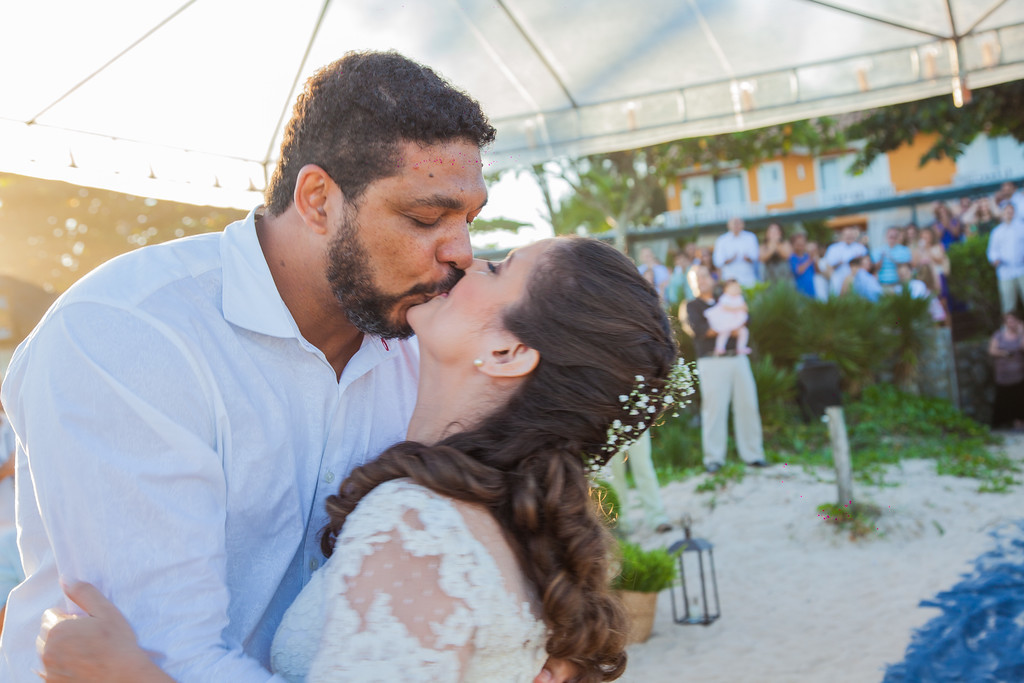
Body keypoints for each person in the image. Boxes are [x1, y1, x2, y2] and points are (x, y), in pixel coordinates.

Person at [1, 51, 585, 682]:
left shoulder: (429, 347)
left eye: (468, 219)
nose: (462, 253)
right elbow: (166, 657)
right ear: (317, 199)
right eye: (425, 217)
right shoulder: (130, 334)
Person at [38, 237, 684, 682]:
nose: (464, 257)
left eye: (497, 268)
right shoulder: (505, 522)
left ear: (509, 354)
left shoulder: (417, 527)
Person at [681, 266, 765, 474]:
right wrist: (729, 326)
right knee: (714, 410)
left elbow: (747, 319)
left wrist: (729, 324)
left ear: (712, 278)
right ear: (692, 284)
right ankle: (714, 458)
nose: (701, 280)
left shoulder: (725, 298)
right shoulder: (692, 306)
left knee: (748, 405)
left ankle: (753, 454)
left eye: (704, 275)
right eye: (696, 278)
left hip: (738, 358)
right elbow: (700, 330)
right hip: (712, 362)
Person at [607, 430, 673, 535]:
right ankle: (621, 521)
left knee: (643, 468)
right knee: (614, 474)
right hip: (609, 423)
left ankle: (657, 518)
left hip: (637, 420)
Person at [989, 311, 1024, 430]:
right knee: (1003, 400)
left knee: (1019, 399)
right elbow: (992, 350)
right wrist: (1003, 353)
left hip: (1019, 376)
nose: (1011, 323)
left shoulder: (1021, 334)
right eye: (1008, 320)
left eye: (1013, 320)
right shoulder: (999, 335)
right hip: (1003, 376)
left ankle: (1019, 422)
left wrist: (1021, 332)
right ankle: (1001, 425)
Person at [987, 203, 1024, 315]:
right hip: (1005, 272)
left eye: (1011, 211)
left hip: (1021, 269)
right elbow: (992, 251)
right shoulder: (997, 232)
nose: (1009, 214)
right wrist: (995, 259)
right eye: (1007, 211)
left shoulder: (1021, 227)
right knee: (1008, 304)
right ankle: (1010, 330)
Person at [704, 280, 751, 355]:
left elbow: (745, 308)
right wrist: (738, 308)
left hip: (736, 321)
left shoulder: (740, 298)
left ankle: (741, 347)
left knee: (744, 332)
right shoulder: (725, 297)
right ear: (726, 289)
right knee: (724, 333)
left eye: (737, 288)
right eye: (733, 288)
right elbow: (725, 307)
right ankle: (719, 348)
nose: (736, 290)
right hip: (727, 320)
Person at [712, 217, 759, 287]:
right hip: (730, 279)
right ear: (728, 225)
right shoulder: (722, 240)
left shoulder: (750, 237)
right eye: (734, 223)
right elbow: (718, 261)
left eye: (738, 223)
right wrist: (730, 260)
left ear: (743, 225)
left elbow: (756, 256)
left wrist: (748, 258)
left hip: (748, 279)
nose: (736, 225)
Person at [822, 226, 868, 296]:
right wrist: (839, 263)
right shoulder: (833, 248)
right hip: (838, 279)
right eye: (847, 235)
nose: (849, 237)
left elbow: (866, 264)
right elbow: (828, 266)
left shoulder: (861, 248)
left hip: (856, 279)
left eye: (851, 235)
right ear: (842, 235)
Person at [872, 226, 912, 290]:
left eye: (895, 237)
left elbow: (908, 267)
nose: (893, 239)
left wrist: (893, 260)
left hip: (899, 285)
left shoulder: (905, 250)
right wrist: (881, 258)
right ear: (886, 237)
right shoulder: (878, 251)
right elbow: (874, 269)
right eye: (891, 237)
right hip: (882, 285)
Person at [789, 230, 817, 298]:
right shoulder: (792, 257)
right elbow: (798, 271)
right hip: (800, 292)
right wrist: (810, 260)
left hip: (811, 290)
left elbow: (817, 271)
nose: (801, 246)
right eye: (798, 244)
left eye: (802, 244)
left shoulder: (807, 256)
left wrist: (815, 258)